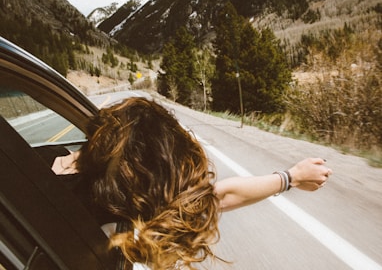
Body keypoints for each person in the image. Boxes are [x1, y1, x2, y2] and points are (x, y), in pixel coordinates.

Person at [40, 97, 332, 269]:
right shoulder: (111, 206)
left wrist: (291, 178)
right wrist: (290, 178)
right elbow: (218, 196)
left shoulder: (33, 159)